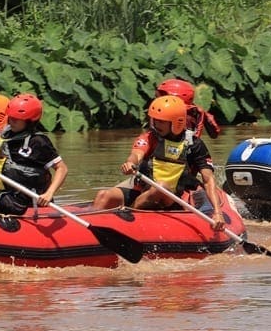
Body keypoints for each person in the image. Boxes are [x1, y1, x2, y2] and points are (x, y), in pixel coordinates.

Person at [91, 96, 226, 231]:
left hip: (173, 197)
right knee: (104, 195)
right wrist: (130, 163)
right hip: (143, 190)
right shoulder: (149, 137)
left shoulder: (195, 145)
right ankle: (91, 230)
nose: (156, 124)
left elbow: (208, 180)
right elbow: (136, 154)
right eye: (154, 120)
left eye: (161, 121)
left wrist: (218, 213)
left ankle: (128, 217)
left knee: (161, 187)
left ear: (176, 123)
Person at [156, 78, 221, 139]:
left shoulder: (190, 114)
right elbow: (214, 134)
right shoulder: (197, 111)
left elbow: (214, 134)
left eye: (162, 97)